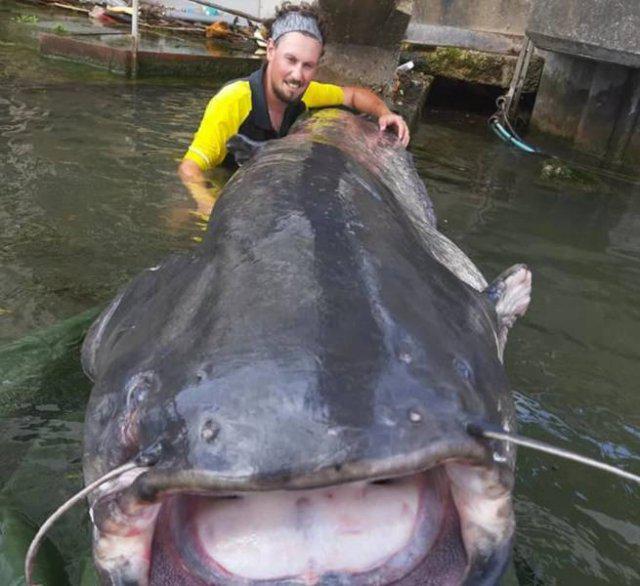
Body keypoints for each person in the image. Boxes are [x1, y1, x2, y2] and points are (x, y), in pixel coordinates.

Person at [178, 1, 410, 216]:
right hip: (224, 186)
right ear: (270, 51)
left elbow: (353, 95)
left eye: (308, 65)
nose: (297, 75)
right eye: (290, 60)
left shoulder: (304, 94)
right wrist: (208, 203)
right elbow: (190, 168)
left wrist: (385, 113)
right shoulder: (231, 102)